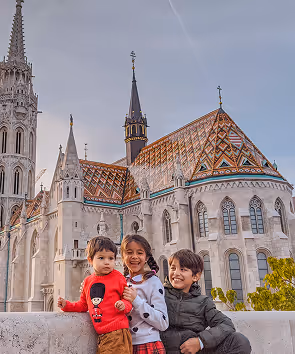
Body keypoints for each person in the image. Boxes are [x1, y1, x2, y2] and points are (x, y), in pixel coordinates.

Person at [160, 249, 251, 354]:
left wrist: (200, 341)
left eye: (183, 269)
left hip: (194, 351)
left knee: (238, 341)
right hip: (164, 348)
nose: (176, 273)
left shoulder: (203, 302)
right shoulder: (159, 294)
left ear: (196, 276)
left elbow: (226, 324)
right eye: (173, 268)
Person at [57, 236, 133, 354]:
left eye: (111, 258)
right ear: (90, 260)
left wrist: (124, 305)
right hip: (102, 334)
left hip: (117, 332)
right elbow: (83, 305)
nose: (107, 262)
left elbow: (128, 300)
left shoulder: (118, 277)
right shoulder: (88, 281)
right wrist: (66, 305)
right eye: (101, 258)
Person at [121, 234, 169, 354]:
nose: (134, 257)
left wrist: (136, 300)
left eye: (139, 253)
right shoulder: (121, 282)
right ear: (122, 256)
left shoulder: (153, 282)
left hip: (148, 345)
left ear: (147, 257)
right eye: (129, 252)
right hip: (125, 345)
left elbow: (163, 323)